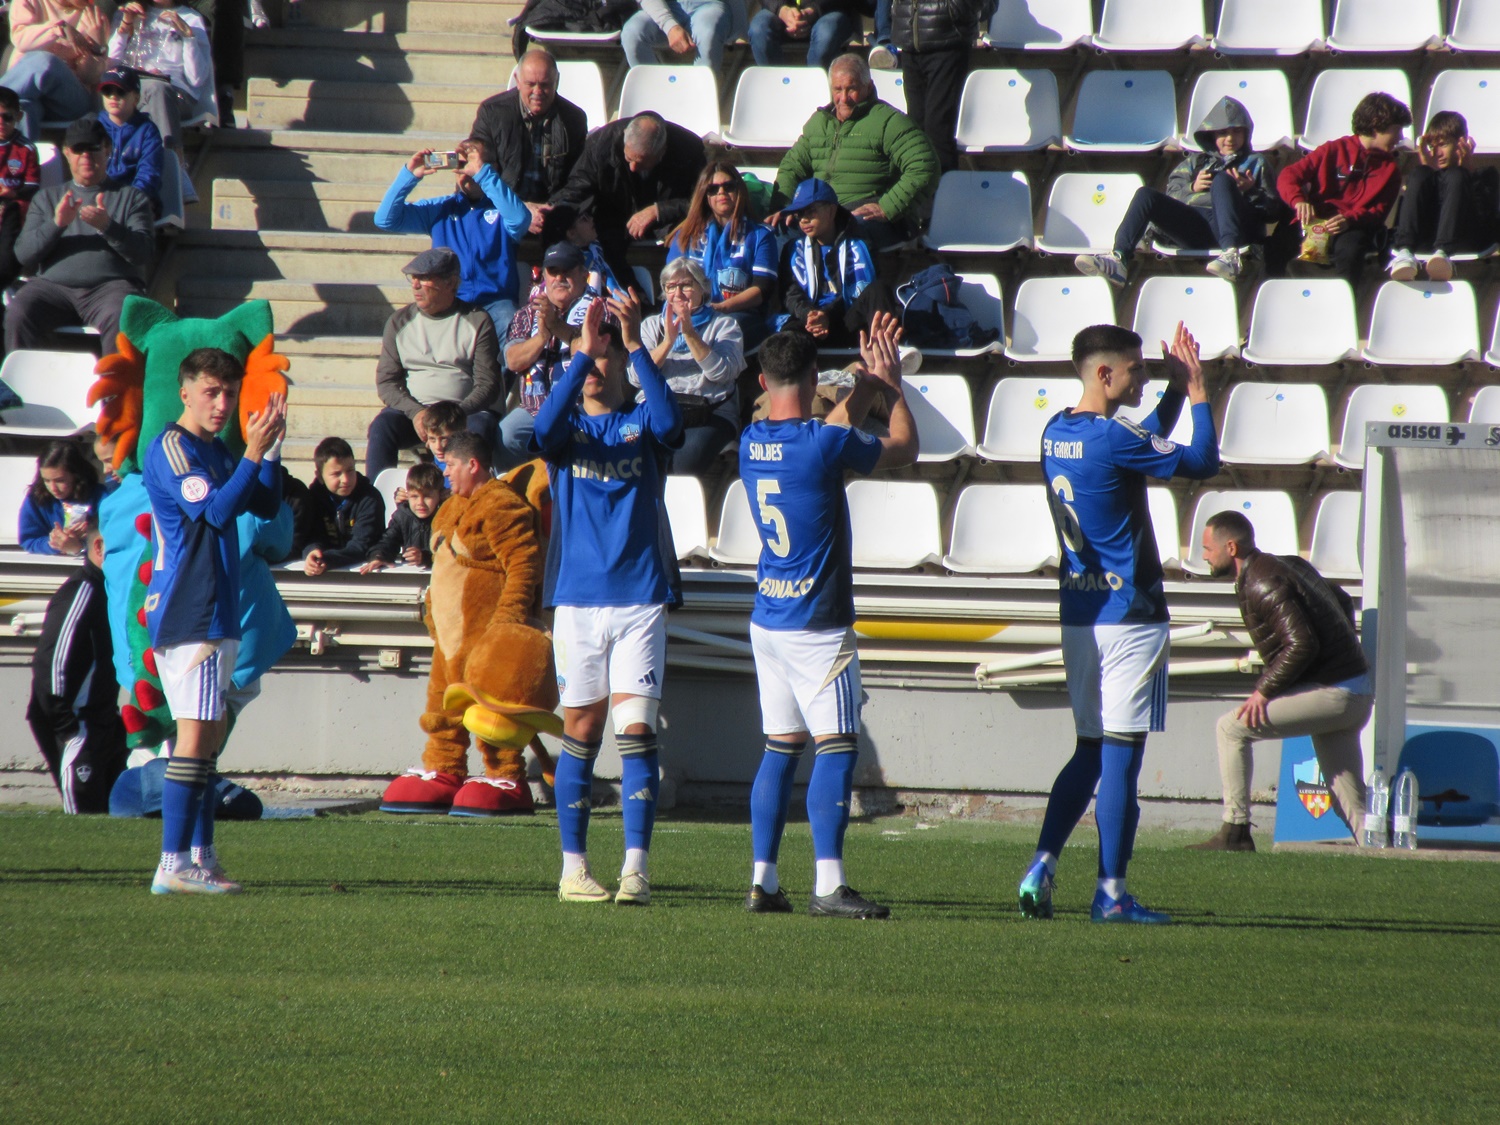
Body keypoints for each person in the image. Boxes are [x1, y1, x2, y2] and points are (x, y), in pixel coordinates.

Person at [1018, 322, 1220, 926]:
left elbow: (1135, 444)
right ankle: (1110, 894)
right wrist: (1201, 389)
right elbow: (1203, 461)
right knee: (1121, 761)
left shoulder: (1057, 430)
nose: (1144, 375)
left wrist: (1173, 394)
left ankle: (1044, 862)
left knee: (1087, 749)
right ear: (1104, 374)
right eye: (1135, 368)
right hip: (1130, 617)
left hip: (1079, 615)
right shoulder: (1111, 439)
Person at [739, 316, 917, 918]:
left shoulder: (749, 438)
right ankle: (827, 885)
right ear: (815, 375)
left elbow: (825, 435)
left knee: (779, 747)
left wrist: (862, 384)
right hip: (818, 622)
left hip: (768, 619)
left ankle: (762, 881)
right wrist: (889, 386)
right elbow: (904, 448)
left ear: (763, 380)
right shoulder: (824, 442)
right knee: (836, 747)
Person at [531, 293, 683, 906]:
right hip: (578, 604)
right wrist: (579, 354)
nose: (594, 366)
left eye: (602, 357)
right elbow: (539, 430)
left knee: (636, 731)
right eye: (584, 358)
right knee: (581, 731)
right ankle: (573, 871)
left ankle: (636, 870)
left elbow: (673, 425)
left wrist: (637, 344)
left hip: (639, 597)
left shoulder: (643, 422)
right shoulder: (567, 431)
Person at [141, 346, 286, 894]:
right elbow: (217, 512)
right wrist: (250, 450)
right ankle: (172, 866)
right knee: (195, 739)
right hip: (190, 609)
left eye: (229, 392)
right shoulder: (173, 448)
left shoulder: (216, 450)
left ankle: (199, 858)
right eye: (211, 392)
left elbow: (265, 506)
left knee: (208, 740)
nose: (222, 403)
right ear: (185, 392)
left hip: (216, 609)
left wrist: (268, 451)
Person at [1193, 510, 1370, 851]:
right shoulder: (1286, 564)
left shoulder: (1262, 581)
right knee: (1349, 800)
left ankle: (1235, 833)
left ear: (1230, 547)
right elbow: (1343, 600)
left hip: (1335, 693)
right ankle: (1381, 852)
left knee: (1230, 729)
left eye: (1206, 548)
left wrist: (1265, 690)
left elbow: (1302, 643)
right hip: (1354, 689)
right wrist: (1339, 659)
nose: (1202, 556)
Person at [1077, 96, 1280, 288]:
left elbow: (1273, 213)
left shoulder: (1256, 162)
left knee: (1221, 180)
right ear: (1212, 135)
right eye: (1223, 132)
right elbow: (1171, 194)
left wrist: (1251, 191)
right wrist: (1191, 188)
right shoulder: (1195, 162)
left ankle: (1230, 256)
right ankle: (1119, 258)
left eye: (1236, 131)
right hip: (1199, 228)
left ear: (1246, 133)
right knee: (1145, 195)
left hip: (1238, 230)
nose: (1230, 139)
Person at [7, 116, 154, 354]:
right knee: (19, 311)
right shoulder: (47, 198)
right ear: (67, 153)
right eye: (78, 149)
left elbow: (143, 253)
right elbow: (23, 254)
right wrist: (57, 223)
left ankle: (115, 390)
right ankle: (17, 388)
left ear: (107, 150)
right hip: (54, 288)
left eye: (93, 148)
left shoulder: (132, 198)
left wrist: (108, 226)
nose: (85, 156)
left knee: (123, 313)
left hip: (111, 288)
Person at [770, 54, 938, 251]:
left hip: (868, 217)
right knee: (774, 233)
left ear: (868, 86)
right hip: (820, 213)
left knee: (842, 235)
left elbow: (925, 165)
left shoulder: (888, 122)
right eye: (838, 90)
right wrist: (785, 207)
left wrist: (888, 207)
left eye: (852, 89)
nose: (843, 98)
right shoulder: (819, 123)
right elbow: (791, 168)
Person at [366, 246, 503, 479]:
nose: (415, 285)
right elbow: (387, 382)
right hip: (416, 415)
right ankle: (376, 502)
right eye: (413, 278)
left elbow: (487, 384)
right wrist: (417, 413)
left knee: (482, 427)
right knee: (382, 427)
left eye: (425, 278)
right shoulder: (399, 322)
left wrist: (454, 416)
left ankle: (470, 498)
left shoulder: (477, 320)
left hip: (464, 413)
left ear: (451, 283)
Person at [374, 137, 531, 337]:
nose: (466, 172)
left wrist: (484, 175)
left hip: (496, 303)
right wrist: (409, 176)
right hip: (449, 301)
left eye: (472, 164)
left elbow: (520, 220)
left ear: (491, 168)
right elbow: (385, 220)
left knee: (512, 329)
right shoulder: (441, 208)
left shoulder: (502, 209)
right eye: (461, 164)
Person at [27, 522, 129, 813]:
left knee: (117, 816)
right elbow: (51, 660)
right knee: (85, 816)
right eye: (122, 549)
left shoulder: (111, 592)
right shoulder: (83, 591)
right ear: (98, 548)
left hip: (104, 721)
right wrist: (66, 724)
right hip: (77, 724)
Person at [549, 110, 706, 297]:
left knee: (686, 235)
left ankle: (683, 295)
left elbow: (701, 201)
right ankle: (632, 297)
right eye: (629, 159)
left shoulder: (689, 150)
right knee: (601, 242)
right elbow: (578, 187)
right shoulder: (601, 144)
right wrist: (556, 210)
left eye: (641, 162)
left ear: (662, 152)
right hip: (613, 217)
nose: (632, 168)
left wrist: (658, 211)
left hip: (668, 222)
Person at [1272, 91, 1411, 287]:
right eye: (1396, 130)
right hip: (1315, 221)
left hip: (1352, 227)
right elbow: (1289, 175)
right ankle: (1274, 293)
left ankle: (1345, 304)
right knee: (1277, 242)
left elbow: (1378, 213)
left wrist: (1350, 219)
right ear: (1376, 126)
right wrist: (1299, 201)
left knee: (1351, 248)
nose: (1400, 137)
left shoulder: (1390, 171)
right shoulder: (1333, 150)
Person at [638, 257, 745, 475]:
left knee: (682, 464)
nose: (677, 293)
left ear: (702, 288)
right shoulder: (650, 326)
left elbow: (723, 373)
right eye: (670, 287)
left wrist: (689, 333)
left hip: (709, 413)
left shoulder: (724, 325)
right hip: (655, 413)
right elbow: (635, 377)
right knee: (626, 444)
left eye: (685, 285)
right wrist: (668, 342)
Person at [498, 240, 596, 471]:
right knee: (506, 436)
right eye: (553, 271)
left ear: (584, 275)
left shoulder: (600, 309)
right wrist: (541, 337)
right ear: (544, 276)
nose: (560, 277)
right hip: (536, 407)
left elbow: (592, 353)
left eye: (568, 271)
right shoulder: (526, 315)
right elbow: (513, 360)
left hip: (584, 406)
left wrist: (557, 326)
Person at [470, 48, 588, 234]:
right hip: (503, 210)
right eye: (530, 84)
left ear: (557, 81)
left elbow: (578, 178)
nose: (537, 92)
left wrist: (551, 209)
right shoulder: (492, 113)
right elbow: (480, 171)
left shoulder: (574, 119)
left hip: (552, 211)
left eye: (545, 84)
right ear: (517, 81)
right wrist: (520, 209)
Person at [666, 161, 779, 350]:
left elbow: (762, 289)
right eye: (713, 189)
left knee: (724, 331)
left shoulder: (761, 235)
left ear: (739, 190)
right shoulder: (684, 236)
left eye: (729, 187)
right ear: (704, 195)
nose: (721, 193)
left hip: (739, 314)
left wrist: (721, 308)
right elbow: (671, 283)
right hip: (689, 312)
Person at [775, 177, 899, 347]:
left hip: (850, 321)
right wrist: (811, 315)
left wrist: (828, 314)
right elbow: (791, 295)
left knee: (879, 290)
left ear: (832, 210)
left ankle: (886, 349)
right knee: (787, 336)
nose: (804, 219)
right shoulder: (793, 249)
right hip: (813, 324)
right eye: (799, 214)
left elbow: (861, 295)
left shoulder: (860, 243)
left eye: (810, 211)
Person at [106, 0, 215, 193]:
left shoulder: (191, 18)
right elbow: (110, 64)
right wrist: (126, 25)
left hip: (173, 91)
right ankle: (170, 175)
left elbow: (197, 79)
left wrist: (188, 37)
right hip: (130, 87)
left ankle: (173, 169)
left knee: (157, 88)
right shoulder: (127, 13)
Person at [1388, 111, 1498, 283]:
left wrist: (1467, 174)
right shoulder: (1427, 177)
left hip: (1466, 238)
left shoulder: (1485, 175)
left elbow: (1486, 219)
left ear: (1461, 143)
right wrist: (1428, 170)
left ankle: (1443, 253)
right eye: (1433, 147)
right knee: (1419, 172)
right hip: (1427, 238)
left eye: (1443, 145)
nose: (1437, 153)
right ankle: (1404, 252)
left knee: (1456, 175)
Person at [889, 0, 988, 174]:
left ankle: (944, 197)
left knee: (938, 130)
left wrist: (953, 11)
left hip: (947, 41)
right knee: (916, 131)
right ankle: (921, 196)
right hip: (910, 41)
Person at [0, 0, 110, 141]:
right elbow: (20, 39)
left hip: (71, 102)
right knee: (23, 108)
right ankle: (18, 160)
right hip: (26, 95)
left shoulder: (93, 17)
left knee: (46, 61)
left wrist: (97, 47)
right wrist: (57, 28)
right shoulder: (29, 2)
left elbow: (88, 77)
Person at [296, 436, 385, 576]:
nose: (345, 479)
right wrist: (312, 552)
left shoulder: (370, 498)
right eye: (336, 474)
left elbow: (361, 546)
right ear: (319, 476)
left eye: (350, 470)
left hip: (365, 572)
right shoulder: (312, 497)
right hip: (325, 569)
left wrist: (328, 559)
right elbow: (310, 535)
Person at [19, 441, 106, 556]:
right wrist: (55, 543)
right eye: (47, 480)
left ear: (76, 474)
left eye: (60, 480)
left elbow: (113, 537)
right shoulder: (37, 498)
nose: (53, 488)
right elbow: (29, 540)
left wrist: (83, 543)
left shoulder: (99, 496)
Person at [97, 67, 164, 208]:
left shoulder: (148, 131)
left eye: (121, 92)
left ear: (136, 98)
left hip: (136, 201)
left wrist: (128, 201)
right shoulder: (92, 126)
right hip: (99, 199)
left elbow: (148, 175)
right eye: (107, 91)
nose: (113, 97)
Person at [361, 462, 443, 573]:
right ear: (407, 495)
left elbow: (449, 552)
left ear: (440, 495)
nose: (420, 503)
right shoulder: (403, 516)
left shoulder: (445, 517)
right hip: (410, 577)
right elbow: (388, 540)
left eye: (427, 496)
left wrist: (425, 557)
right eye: (414, 496)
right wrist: (379, 556)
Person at [623, 0, 748, 71]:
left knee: (707, 33)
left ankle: (698, 101)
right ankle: (653, 103)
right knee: (631, 33)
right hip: (668, 5)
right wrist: (670, 26)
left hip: (710, 4)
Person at [749, 0, 871, 71]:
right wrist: (782, 10)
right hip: (781, 10)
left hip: (829, 9)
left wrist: (813, 10)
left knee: (826, 35)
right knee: (758, 30)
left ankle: (815, 91)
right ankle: (777, 88)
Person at [0, 87, 42, 292]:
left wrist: (11, 194)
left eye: (6, 117)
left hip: (14, 211)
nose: (1, 122)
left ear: (19, 117)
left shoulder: (26, 149)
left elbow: (33, 187)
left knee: (6, 262)